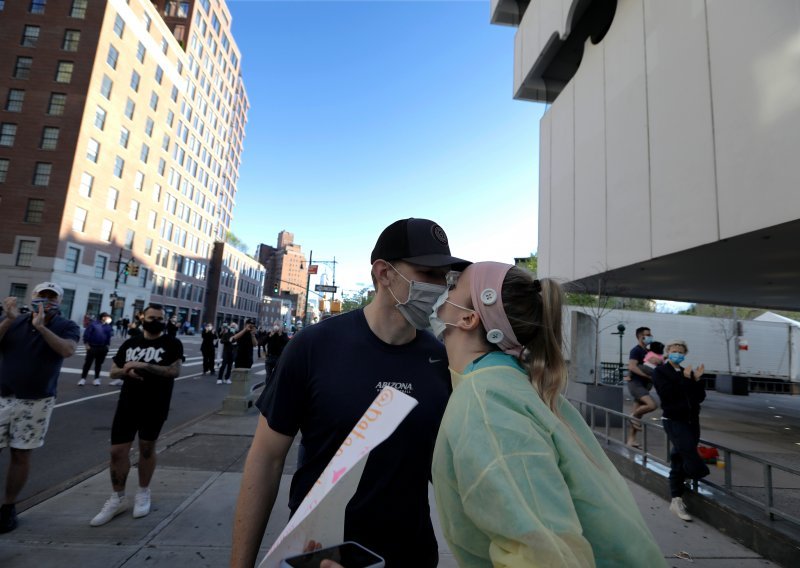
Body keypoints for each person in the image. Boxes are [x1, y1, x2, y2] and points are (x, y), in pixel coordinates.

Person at [230, 218, 468, 568]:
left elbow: (446, 471)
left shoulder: (442, 359)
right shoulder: (314, 346)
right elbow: (266, 459)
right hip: (321, 553)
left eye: (445, 277)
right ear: (384, 274)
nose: (440, 287)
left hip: (412, 555)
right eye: (427, 273)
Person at [429, 262, 665, 566]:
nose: (441, 290)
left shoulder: (487, 401)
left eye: (453, 286)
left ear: (468, 318)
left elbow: (544, 553)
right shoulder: (510, 383)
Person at [89, 304, 183, 527]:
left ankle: (143, 492)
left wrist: (144, 365)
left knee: (147, 448)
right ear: (142, 318)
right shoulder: (130, 343)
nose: (156, 321)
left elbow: (174, 371)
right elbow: (113, 370)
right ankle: (117, 498)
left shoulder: (171, 343)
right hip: (127, 403)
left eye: (160, 318)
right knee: (117, 451)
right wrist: (126, 371)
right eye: (152, 317)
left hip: (155, 404)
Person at [0, 282, 79, 533]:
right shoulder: (14, 320)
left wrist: (42, 328)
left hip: (36, 400)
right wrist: (7, 320)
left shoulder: (67, 325)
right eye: (41, 296)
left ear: (60, 301)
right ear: (32, 297)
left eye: (51, 297)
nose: (45, 300)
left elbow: (67, 350)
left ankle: (8, 507)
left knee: (20, 454)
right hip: (3, 396)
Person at [652, 339, 709, 522]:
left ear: (685, 354)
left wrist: (698, 380)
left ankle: (676, 500)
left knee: (679, 457)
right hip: (674, 420)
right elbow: (668, 394)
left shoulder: (688, 372)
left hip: (692, 421)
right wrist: (685, 379)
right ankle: (691, 474)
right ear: (668, 352)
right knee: (692, 460)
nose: (677, 352)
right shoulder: (661, 372)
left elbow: (698, 397)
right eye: (674, 349)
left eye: (681, 350)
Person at [626, 326, 659, 448]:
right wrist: (648, 376)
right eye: (648, 335)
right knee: (651, 405)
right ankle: (632, 416)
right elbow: (632, 367)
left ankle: (631, 440)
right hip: (636, 384)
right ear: (640, 336)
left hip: (644, 386)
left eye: (651, 334)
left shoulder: (647, 352)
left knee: (638, 416)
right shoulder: (636, 350)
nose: (650, 337)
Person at [78, 312, 114, 386]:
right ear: (103, 317)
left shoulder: (108, 326)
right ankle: (83, 379)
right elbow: (87, 334)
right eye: (107, 317)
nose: (108, 319)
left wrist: (107, 346)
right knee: (88, 363)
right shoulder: (93, 324)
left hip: (103, 347)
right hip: (92, 346)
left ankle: (96, 379)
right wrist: (86, 344)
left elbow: (109, 336)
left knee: (99, 364)